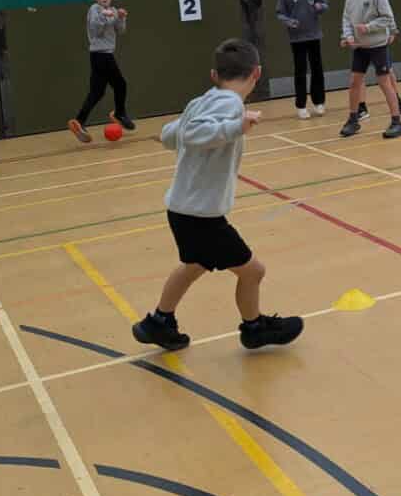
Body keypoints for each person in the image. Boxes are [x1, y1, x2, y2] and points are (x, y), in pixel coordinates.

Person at [130, 39, 303, 354]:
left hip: (182, 210)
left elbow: (173, 134)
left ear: (214, 74)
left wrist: (178, 130)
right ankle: (254, 328)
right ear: (257, 73)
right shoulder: (229, 104)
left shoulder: (202, 101)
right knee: (253, 271)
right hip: (202, 217)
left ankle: (159, 322)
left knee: (194, 266)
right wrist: (236, 126)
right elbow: (194, 133)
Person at [337, 0, 401, 139]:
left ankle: (397, 122)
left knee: (384, 82)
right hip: (360, 48)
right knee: (354, 82)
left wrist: (368, 27)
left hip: (377, 46)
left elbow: (387, 18)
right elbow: (346, 19)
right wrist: (348, 36)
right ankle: (353, 120)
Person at [68, 0, 135, 143]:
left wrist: (121, 17)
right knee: (120, 84)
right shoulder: (94, 10)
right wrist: (107, 17)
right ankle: (119, 114)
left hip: (103, 55)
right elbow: (96, 30)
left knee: (97, 92)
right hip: (101, 55)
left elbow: (120, 30)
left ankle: (79, 121)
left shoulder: (112, 10)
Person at [275, 0, 328, 120]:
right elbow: (280, 13)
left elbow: (325, 5)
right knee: (300, 71)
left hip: (314, 36)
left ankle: (319, 102)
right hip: (297, 39)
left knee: (317, 69)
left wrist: (320, 7)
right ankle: (301, 106)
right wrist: (289, 21)